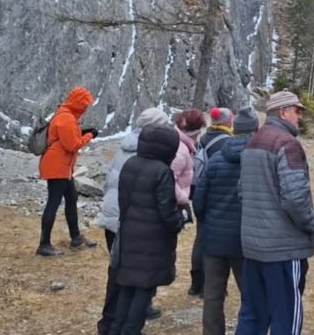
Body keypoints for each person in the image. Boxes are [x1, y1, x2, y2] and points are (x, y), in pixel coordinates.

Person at [236, 90, 314, 335]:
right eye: (297, 111)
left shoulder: (253, 141)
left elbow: (242, 192)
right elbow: (295, 198)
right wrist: (311, 224)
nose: (300, 117)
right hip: (283, 250)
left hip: (253, 247)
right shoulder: (287, 144)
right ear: (282, 112)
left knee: (252, 315)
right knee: (286, 318)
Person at [97, 108, 169, 334]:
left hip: (113, 217)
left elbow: (109, 179)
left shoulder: (125, 144)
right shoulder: (150, 150)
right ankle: (117, 323)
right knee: (126, 277)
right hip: (129, 221)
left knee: (117, 273)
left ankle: (110, 322)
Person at [112, 123, 186, 334]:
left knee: (127, 285)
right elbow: (167, 211)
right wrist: (179, 221)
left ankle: (117, 328)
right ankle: (132, 330)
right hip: (153, 239)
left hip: (129, 234)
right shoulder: (162, 171)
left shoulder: (130, 164)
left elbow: (123, 200)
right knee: (144, 288)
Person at [193, 106, 257, 335]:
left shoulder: (217, 158)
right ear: (255, 130)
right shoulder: (258, 161)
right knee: (250, 294)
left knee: (212, 295)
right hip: (245, 240)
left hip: (213, 239)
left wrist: (208, 222)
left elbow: (199, 200)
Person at [37, 86, 98, 256]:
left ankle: (76, 237)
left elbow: (68, 137)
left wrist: (83, 132)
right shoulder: (66, 118)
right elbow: (72, 145)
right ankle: (44, 245)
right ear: (78, 103)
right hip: (57, 167)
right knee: (53, 202)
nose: (86, 108)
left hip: (62, 166)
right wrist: (90, 135)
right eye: (84, 105)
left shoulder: (65, 115)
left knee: (71, 198)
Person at [189, 107, 232, 297]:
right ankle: (210, 285)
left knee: (200, 239)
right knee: (215, 241)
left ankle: (195, 284)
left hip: (199, 193)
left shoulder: (203, 139)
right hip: (218, 196)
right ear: (226, 122)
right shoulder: (226, 143)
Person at [171, 109, 200, 210]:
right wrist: (182, 197)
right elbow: (169, 178)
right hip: (174, 203)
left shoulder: (181, 143)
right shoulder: (181, 150)